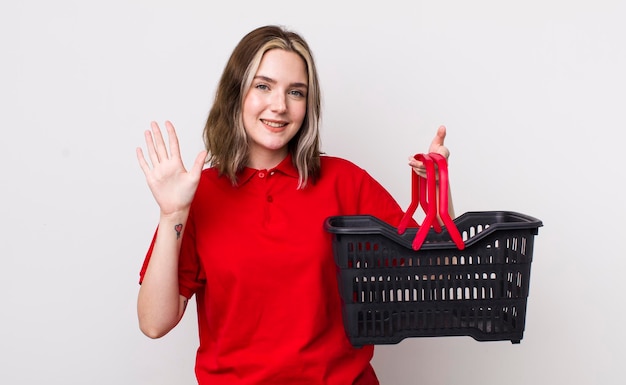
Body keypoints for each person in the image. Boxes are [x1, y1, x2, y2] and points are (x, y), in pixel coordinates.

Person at [136, 25, 453, 385]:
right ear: (236, 92)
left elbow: (438, 271)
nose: (280, 106)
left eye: (296, 92)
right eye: (263, 86)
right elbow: (154, 322)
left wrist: (438, 195)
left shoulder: (344, 182)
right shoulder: (201, 195)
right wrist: (172, 214)